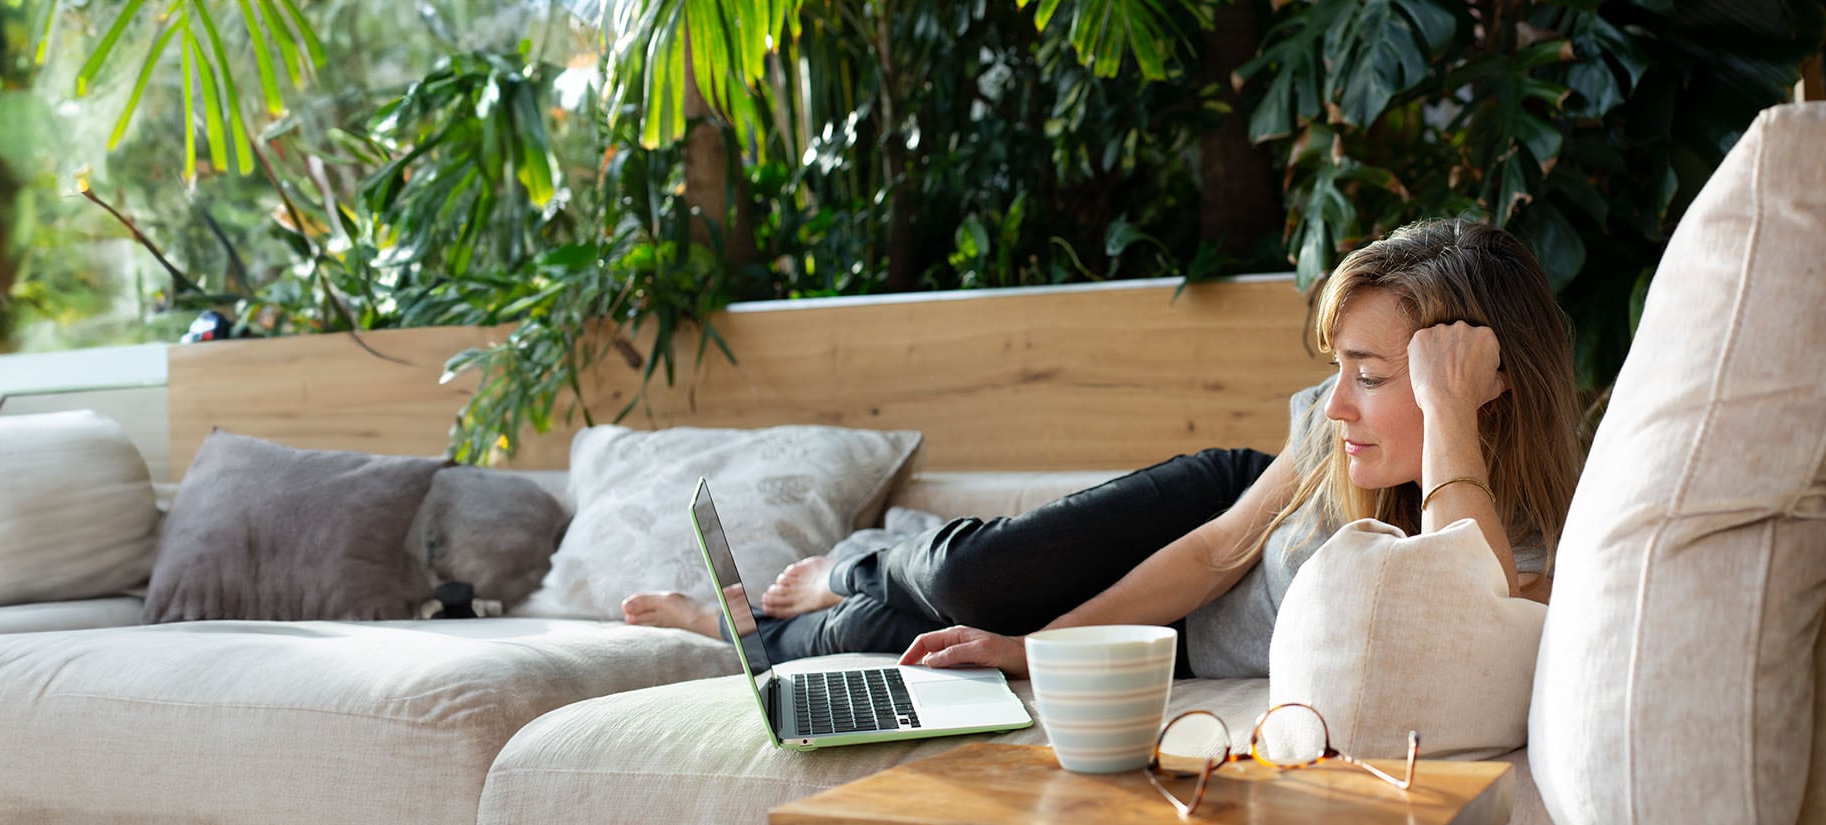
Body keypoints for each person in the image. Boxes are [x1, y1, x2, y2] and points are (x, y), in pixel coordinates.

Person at [622, 217, 1584, 679]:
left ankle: (735, 632)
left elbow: (1462, 619)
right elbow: (1217, 552)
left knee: (917, 650)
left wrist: (1451, 416)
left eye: (1370, 375)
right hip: (1209, 512)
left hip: (1176, 640)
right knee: (978, 582)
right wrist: (1036, 648)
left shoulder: (1536, 544)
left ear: (1480, 380)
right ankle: (854, 561)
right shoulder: (1327, 441)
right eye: (1338, 367)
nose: (1332, 404)